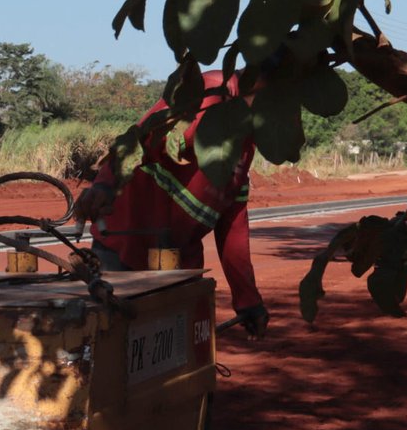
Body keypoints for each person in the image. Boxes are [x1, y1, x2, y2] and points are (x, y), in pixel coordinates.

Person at [73, 69, 270, 338]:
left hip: (179, 265)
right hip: (125, 249)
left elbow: (232, 221)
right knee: (115, 348)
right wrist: (105, 185)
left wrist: (248, 300)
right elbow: (140, 139)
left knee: (177, 361)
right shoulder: (209, 94)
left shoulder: (247, 138)